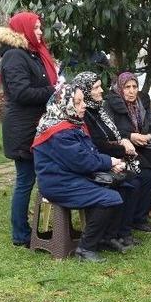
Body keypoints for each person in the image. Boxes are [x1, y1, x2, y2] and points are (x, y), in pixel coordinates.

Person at [31, 82, 126, 262]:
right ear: (65, 104)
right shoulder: (58, 132)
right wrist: (110, 161)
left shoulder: (71, 123)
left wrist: (109, 165)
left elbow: (88, 153)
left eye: (83, 101)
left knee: (122, 185)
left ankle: (105, 238)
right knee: (109, 198)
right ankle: (85, 248)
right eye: (77, 102)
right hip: (58, 183)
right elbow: (82, 161)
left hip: (71, 176)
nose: (83, 106)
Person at [0, 12, 58, 247]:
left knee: (31, 179)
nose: (40, 32)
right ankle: (20, 233)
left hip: (34, 125)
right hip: (23, 128)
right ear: (23, 30)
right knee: (25, 180)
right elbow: (21, 93)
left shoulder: (30, 53)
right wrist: (52, 91)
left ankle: (34, 228)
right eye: (36, 28)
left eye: (40, 27)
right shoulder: (15, 56)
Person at [76, 71, 149, 250]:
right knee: (128, 183)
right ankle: (111, 235)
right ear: (85, 91)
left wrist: (121, 143)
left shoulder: (99, 110)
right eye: (96, 88)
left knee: (137, 180)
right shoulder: (85, 114)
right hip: (98, 162)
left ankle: (123, 232)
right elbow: (97, 144)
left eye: (100, 86)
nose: (101, 91)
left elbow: (111, 135)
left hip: (110, 157)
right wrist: (121, 150)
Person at [103, 72, 151, 233]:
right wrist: (130, 136)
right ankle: (139, 218)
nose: (132, 91)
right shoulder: (111, 104)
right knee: (146, 172)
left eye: (134, 87)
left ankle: (144, 201)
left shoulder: (142, 102)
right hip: (122, 147)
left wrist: (149, 136)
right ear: (120, 88)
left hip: (141, 144)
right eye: (127, 87)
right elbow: (109, 130)